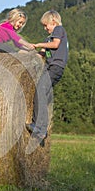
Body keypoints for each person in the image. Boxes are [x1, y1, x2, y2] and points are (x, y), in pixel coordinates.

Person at [26, 10, 68, 152]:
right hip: (53, 68)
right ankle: (41, 127)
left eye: (46, 25)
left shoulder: (58, 30)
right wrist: (29, 55)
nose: (46, 28)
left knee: (40, 91)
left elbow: (55, 45)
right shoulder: (49, 38)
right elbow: (43, 53)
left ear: (54, 22)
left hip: (55, 67)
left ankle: (39, 128)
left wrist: (38, 44)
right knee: (43, 95)